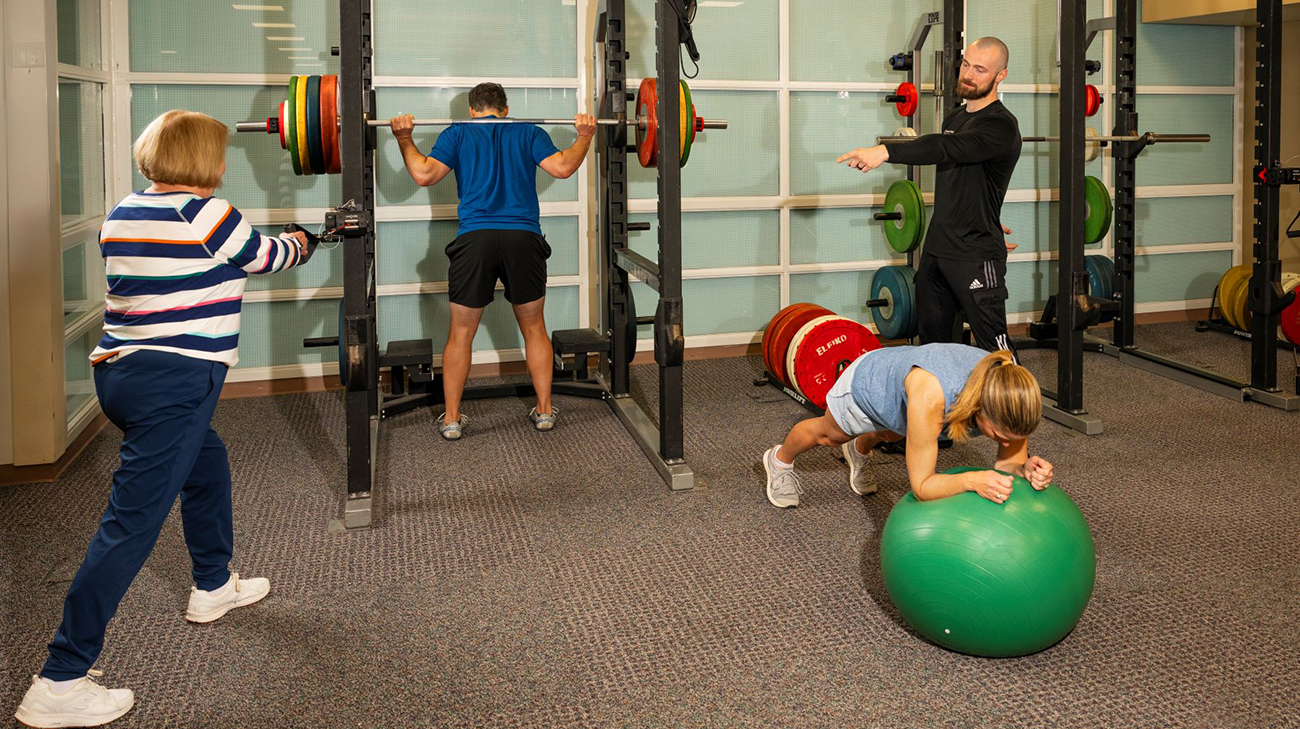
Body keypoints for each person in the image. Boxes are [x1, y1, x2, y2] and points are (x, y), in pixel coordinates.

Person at [13, 110, 313, 728]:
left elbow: (195, 269)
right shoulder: (208, 213)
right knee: (130, 524)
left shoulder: (122, 211)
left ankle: (212, 584)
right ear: (206, 160)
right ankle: (60, 680)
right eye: (221, 153)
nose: (225, 162)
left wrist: (249, 257)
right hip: (174, 382)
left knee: (207, 464)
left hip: (121, 373)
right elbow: (265, 257)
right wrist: (309, 238)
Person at [390, 82, 597, 439]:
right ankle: (545, 411)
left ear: (473, 110)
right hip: (523, 238)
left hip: (476, 240)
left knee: (461, 332)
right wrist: (585, 135)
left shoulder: (457, 133)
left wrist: (404, 138)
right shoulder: (528, 131)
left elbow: (423, 174)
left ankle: (452, 418)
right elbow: (562, 168)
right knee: (534, 328)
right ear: (504, 108)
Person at [837, 37, 1022, 353]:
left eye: (980, 69)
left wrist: (884, 151)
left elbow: (944, 147)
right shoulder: (955, 117)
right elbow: (963, 179)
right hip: (938, 250)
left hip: (975, 254)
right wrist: (986, 215)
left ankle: (1017, 404)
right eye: (966, 64)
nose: (968, 74)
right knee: (934, 345)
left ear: (1000, 76)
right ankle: (945, 403)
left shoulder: (1001, 125)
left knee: (997, 350)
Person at [761, 345, 1054, 509]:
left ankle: (860, 450)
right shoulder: (931, 395)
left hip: (906, 402)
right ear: (981, 408)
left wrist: (1023, 469)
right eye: (1000, 437)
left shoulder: (1009, 390)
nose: (1006, 443)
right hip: (868, 387)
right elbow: (922, 486)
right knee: (828, 436)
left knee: (893, 433)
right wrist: (971, 481)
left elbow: (1009, 464)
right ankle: (778, 461)